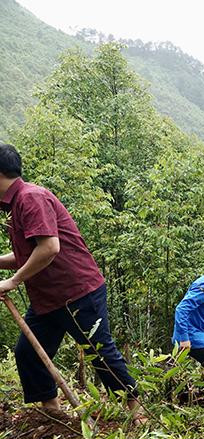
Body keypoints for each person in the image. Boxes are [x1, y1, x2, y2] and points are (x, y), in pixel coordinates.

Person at [0, 143, 144, 422]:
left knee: (99, 352)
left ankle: (137, 413)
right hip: (47, 298)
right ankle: (53, 413)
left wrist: (13, 281)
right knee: (28, 353)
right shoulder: (16, 205)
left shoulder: (31, 198)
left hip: (77, 291)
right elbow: (28, 254)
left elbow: (49, 248)